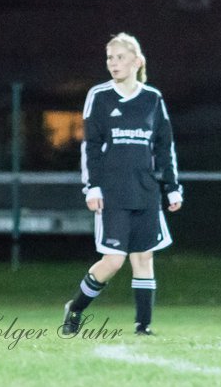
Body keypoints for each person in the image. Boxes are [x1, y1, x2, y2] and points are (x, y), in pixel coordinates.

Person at [60, 32, 182, 337]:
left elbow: (164, 146)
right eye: (109, 58)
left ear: (136, 61)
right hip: (113, 192)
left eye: (120, 57)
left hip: (146, 191)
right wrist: (93, 187)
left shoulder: (152, 99)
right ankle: (75, 309)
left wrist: (171, 186)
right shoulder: (100, 96)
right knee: (113, 261)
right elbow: (91, 147)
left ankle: (143, 326)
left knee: (144, 257)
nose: (113, 63)